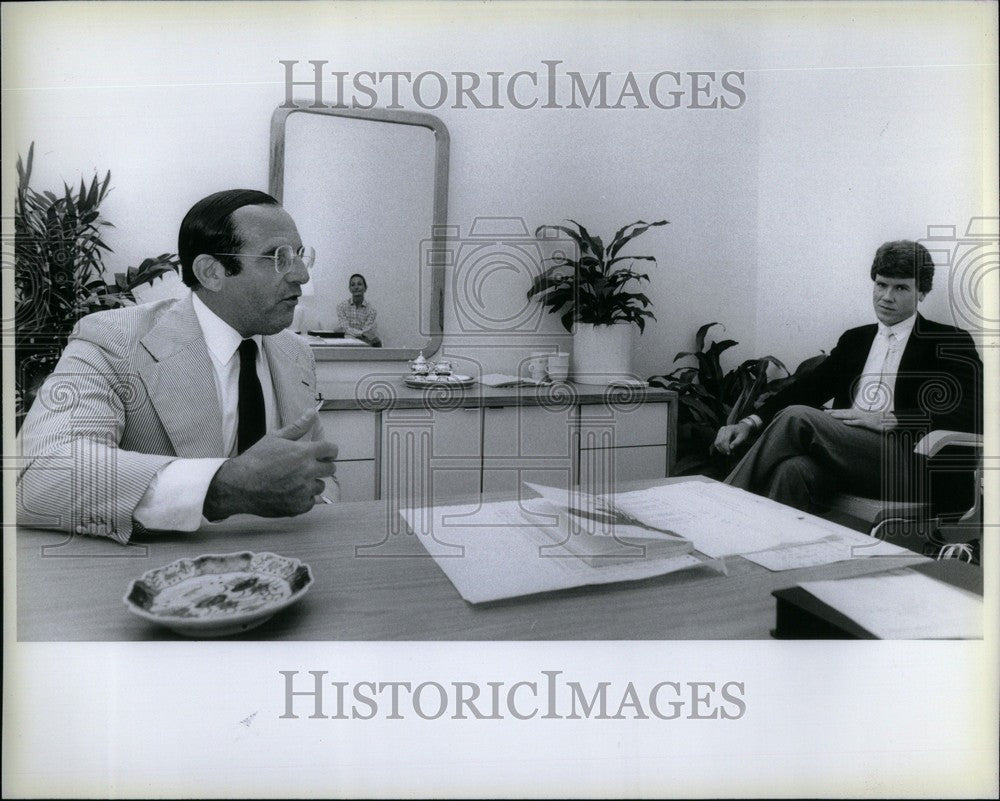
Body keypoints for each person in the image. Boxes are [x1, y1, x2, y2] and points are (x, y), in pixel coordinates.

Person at [17, 189, 339, 544]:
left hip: (284, 571)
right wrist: (222, 487)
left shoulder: (294, 352)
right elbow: (38, 475)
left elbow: (318, 476)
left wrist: (315, 500)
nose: (302, 275)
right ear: (211, 272)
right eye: (278, 257)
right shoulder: (113, 340)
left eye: (299, 254)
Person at [714, 240, 981, 514]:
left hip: (910, 464)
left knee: (798, 416)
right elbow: (807, 388)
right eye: (881, 284)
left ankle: (722, 509)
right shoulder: (856, 339)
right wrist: (749, 422)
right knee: (791, 470)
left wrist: (891, 419)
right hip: (848, 455)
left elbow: (975, 411)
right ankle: (766, 552)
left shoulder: (948, 341)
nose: (887, 296)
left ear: (922, 292)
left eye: (900, 287)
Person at [335, 272, 382, 346]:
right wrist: (361, 334)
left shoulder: (372, 310)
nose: (356, 287)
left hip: (366, 343)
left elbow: (368, 330)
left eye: (359, 284)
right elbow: (345, 328)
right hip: (346, 343)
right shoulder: (341, 307)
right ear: (350, 289)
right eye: (353, 285)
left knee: (376, 342)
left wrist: (357, 334)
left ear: (365, 288)